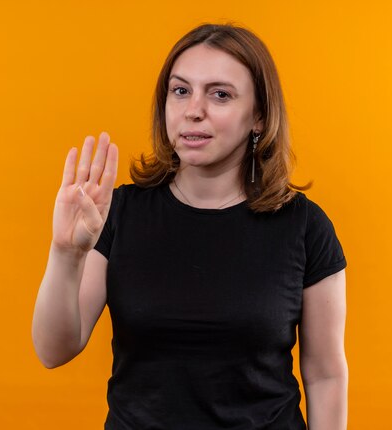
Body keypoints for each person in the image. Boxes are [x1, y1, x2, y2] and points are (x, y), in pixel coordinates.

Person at [32, 23, 348, 430]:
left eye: (220, 94)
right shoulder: (116, 212)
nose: (193, 109)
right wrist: (66, 254)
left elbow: (325, 375)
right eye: (181, 90)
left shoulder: (305, 227)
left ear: (258, 116)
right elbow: (53, 350)